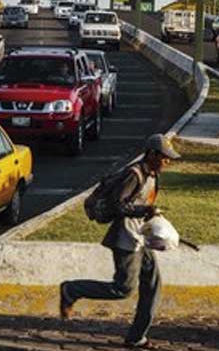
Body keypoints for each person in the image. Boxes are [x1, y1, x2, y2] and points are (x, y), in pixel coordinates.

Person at [59, 134, 181, 349]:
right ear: (152, 154)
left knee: (153, 285)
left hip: (141, 237)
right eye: (164, 157)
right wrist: (145, 210)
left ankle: (136, 337)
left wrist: (151, 215)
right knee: (123, 289)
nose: (167, 162)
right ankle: (72, 289)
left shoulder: (152, 174)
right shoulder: (134, 175)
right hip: (126, 239)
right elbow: (118, 205)